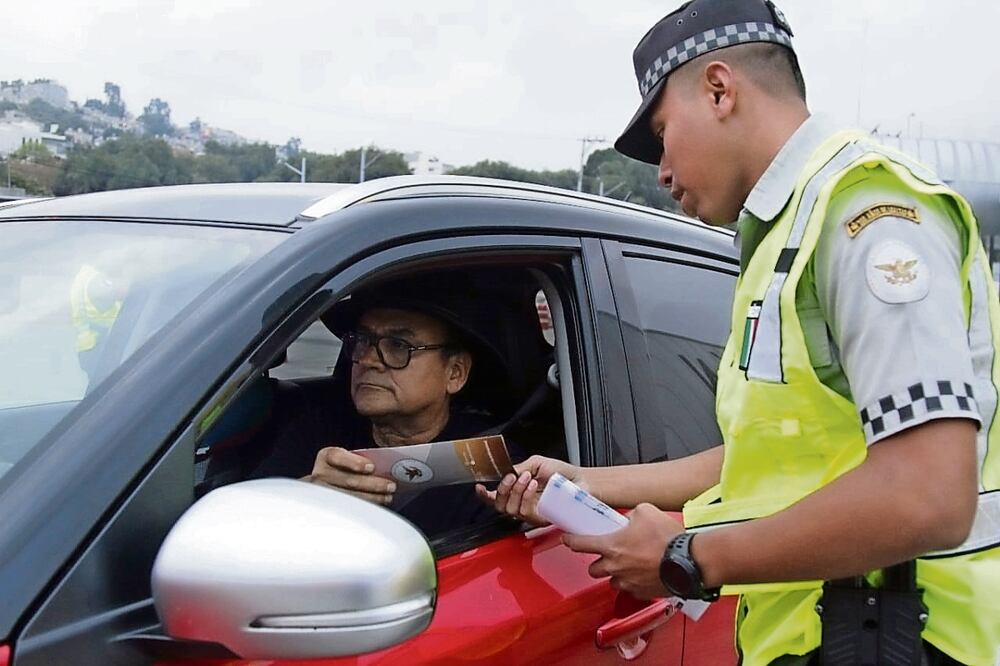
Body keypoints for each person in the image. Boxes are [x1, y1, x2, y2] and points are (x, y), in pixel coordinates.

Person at [478, 1, 1000, 664]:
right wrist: (583, 481)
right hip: (827, 633)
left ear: (720, 90)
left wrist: (685, 557)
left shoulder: (865, 213)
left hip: (901, 635)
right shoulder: (784, 237)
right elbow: (765, 458)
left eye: (663, 135)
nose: (661, 172)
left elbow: (927, 494)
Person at [251, 277, 521, 538]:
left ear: (455, 373)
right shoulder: (318, 428)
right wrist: (306, 495)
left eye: (398, 346)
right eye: (361, 340)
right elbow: (241, 519)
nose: (368, 359)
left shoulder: (487, 462)